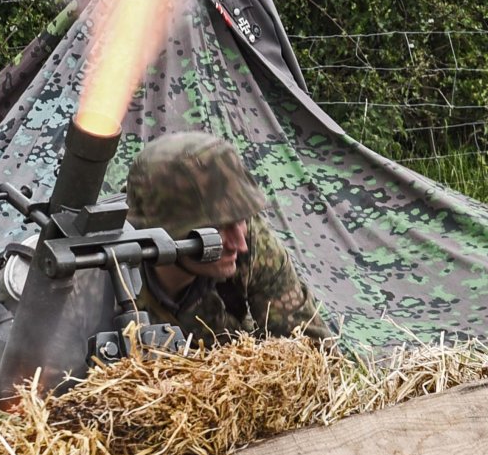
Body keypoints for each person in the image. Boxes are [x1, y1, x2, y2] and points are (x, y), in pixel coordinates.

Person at [122, 132, 332, 342]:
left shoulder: (252, 238)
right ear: (163, 233)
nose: (239, 244)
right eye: (219, 228)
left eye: (241, 220)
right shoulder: (106, 276)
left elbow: (310, 349)